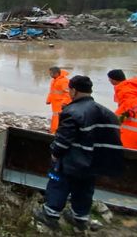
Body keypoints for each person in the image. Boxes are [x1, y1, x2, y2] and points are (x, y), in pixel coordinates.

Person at [34, 75, 123, 231]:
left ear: (74, 91)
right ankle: (80, 218)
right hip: (93, 162)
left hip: (73, 160)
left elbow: (63, 139)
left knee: (58, 183)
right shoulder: (108, 114)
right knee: (85, 189)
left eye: (69, 90)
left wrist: (55, 153)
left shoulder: (73, 111)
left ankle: (50, 214)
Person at [107, 69, 137, 150]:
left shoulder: (125, 90)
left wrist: (117, 119)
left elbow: (132, 107)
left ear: (113, 80)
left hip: (130, 143)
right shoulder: (132, 87)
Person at [46, 67, 71, 134]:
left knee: (58, 118)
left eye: (51, 73)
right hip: (55, 103)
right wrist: (48, 100)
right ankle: (53, 129)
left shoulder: (64, 81)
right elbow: (52, 91)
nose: (50, 75)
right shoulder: (54, 80)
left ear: (56, 73)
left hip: (61, 103)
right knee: (55, 117)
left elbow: (68, 93)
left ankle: (56, 131)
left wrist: (65, 103)